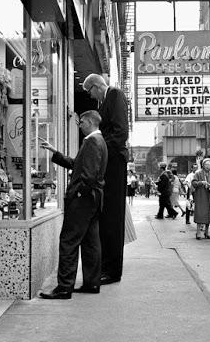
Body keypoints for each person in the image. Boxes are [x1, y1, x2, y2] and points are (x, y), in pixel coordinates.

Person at [39, 110, 108, 299]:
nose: (79, 126)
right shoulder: (98, 141)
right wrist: (56, 153)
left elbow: (88, 175)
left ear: (89, 122)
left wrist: (77, 192)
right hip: (92, 199)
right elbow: (76, 164)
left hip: (83, 200)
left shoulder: (92, 142)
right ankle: (91, 283)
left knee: (68, 241)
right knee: (90, 242)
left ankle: (64, 287)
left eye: (81, 122)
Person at [82, 73, 128, 285]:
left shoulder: (116, 95)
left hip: (115, 163)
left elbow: (120, 133)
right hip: (109, 162)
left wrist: (99, 148)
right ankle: (106, 266)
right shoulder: (106, 100)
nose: (90, 96)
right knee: (106, 215)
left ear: (96, 86)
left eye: (89, 91)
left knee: (113, 217)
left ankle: (113, 270)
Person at [192, 158, 210, 240]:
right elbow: (194, 183)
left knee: (209, 214)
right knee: (200, 213)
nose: (207, 166)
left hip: (209, 196)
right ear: (203, 165)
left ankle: (206, 232)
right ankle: (198, 232)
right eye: (206, 164)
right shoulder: (198, 173)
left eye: (209, 164)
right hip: (200, 196)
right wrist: (201, 183)